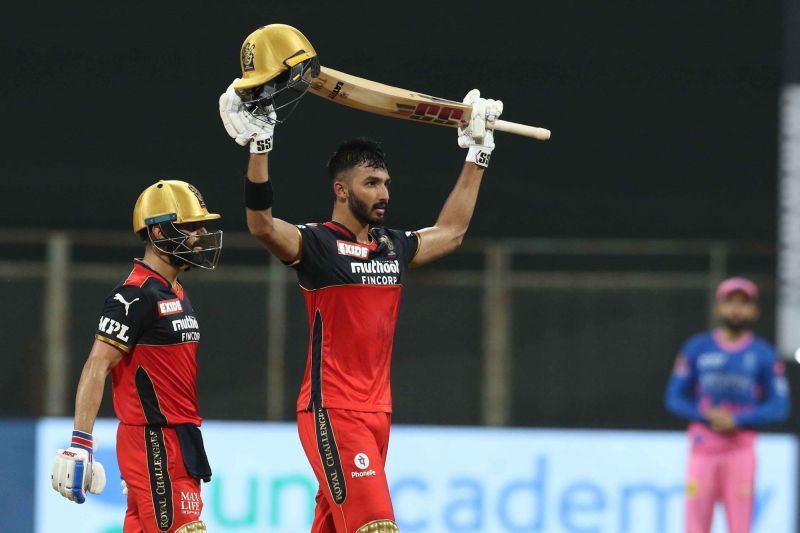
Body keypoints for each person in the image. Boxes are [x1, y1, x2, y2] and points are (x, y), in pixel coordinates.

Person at [219, 24, 503, 533]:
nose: (384, 192)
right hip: (332, 412)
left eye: (386, 183)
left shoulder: (392, 246)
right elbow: (260, 224)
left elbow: (453, 232)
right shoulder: (318, 245)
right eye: (371, 183)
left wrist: (477, 152)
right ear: (341, 190)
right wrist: (260, 147)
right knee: (376, 527)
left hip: (378, 415)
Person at [51, 179, 223, 533]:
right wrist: (80, 443)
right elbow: (97, 365)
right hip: (153, 440)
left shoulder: (174, 290)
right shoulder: (134, 294)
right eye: (191, 227)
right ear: (159, 231)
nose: (201, 234)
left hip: (180, 438)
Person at [664, 276, 790, 533]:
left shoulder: (764, 354)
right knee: (696, 526)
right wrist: (706, 416)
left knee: (739, 526)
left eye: (743, 303)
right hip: (703, 449)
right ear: (718, 307)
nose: (736, 309)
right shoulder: (697, 348)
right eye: (730, 302)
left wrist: (737, 420)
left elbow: (780, 406)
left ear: (753, 311)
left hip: (740, 451)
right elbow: (674, 398)